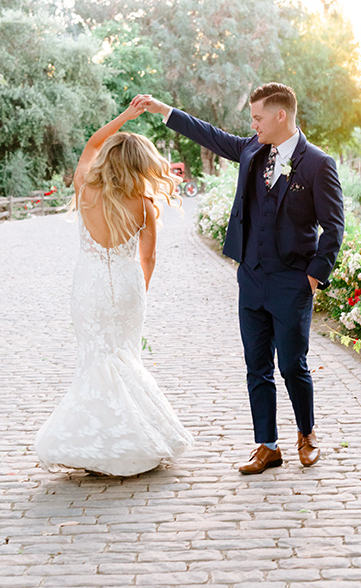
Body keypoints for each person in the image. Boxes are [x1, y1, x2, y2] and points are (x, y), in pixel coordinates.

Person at [132, 84, 344, 473]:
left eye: (258, 117)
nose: (253, 124)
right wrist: (164, 109)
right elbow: (210, 135)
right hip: (251, 278)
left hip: (292, 282)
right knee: (256, 365)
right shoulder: (251, 150)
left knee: (292, 365)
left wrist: (313, 278)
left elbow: (334, 228)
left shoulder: (317, 164)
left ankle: (307, 433)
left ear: (281, 115)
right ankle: (267, 446)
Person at [34, 103, 194, 476]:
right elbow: (148, 259)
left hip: (88, 287)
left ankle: (94, 445)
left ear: (107, 158)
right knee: (125, 359)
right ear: (141, 165)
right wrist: (140, 294)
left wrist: (125, 117)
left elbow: (92, 142)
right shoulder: (145, 205)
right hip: (126, 289)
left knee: (94, 360)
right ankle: (134, 439)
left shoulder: (85, 189)